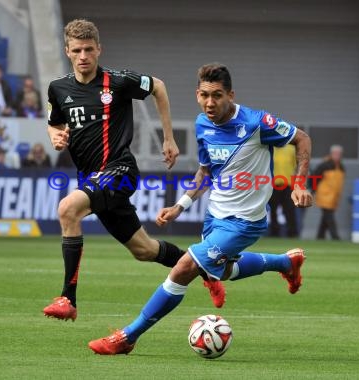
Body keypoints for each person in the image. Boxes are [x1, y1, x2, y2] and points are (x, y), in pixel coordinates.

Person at [88, 63, 313, 355]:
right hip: (215, 215)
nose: (210, 102)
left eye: (217, 95)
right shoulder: (202, 124)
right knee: (222, 271)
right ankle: (286, 263)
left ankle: (128, 336)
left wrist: (299, 183)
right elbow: (206, 172)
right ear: (197, 95)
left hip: (245, 222)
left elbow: (302, 138)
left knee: (185, 267)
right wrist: (180, 206)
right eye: (205, 95)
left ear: (230, 95)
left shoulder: (257, 123)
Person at [43, 19, 225, 322]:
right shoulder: (58, 88)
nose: (84, 55)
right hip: (92, 180)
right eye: (77, 50)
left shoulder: (117, 81)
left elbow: (158, 87)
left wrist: (168, 137)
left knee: (67, 208)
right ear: (68, 52)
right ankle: (206, 271)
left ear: (99, 49)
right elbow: (54, 122)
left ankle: (67, 299)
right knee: (144, 250)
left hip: (120, 170)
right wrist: (56, 136)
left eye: (89, 49)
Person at [312, 145, 345, 240]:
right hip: (324, 195)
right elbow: (314, 177)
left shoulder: (341, 167)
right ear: (331, 154)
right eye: (335, 153)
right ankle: (335, 236)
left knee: (325, 218)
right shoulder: (325, 165)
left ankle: (320, 236)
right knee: (329, 217)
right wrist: (313, 190)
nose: (337, 155)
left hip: (334, 197)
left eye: (339, 154)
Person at [268, 144, 299, 237]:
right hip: (273, 185)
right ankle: (274, 233)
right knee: (273, 210)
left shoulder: (291, 149)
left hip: (287, 185)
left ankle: (292, 233)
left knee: (289, 210)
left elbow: (295, 166)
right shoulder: (270, 149)